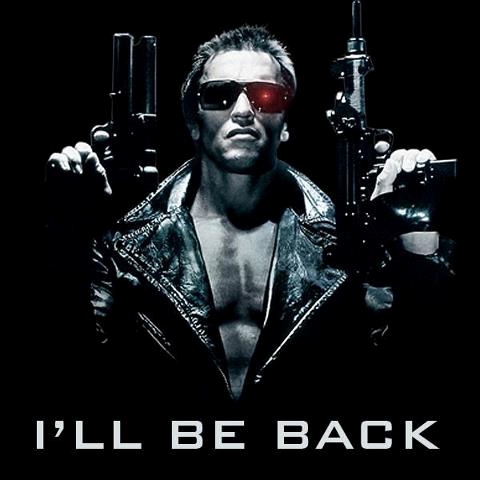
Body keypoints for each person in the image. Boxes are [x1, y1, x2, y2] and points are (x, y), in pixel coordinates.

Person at [45, 25, 455, 415]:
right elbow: (77, 366)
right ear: (192, 120)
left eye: (265, 95)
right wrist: (68, 232)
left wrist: (415, 234)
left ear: (286, 122)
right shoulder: (129, 240)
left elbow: (405, 368)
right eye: (219, 95)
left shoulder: (346, 240)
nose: (243, 110)